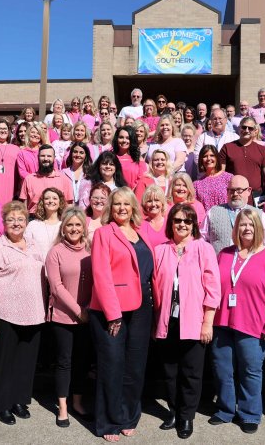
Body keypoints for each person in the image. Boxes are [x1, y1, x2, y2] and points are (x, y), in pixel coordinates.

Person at [88, 187, 156, 441]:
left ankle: (128, 416)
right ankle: (108, 422)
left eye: (126, 204)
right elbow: (101, 274)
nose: (122, 208)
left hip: (142, 309)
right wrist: (113, 313)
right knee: (112, 366)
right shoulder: (104, 234)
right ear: (110, 208)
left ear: (133, 207)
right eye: (116, 204)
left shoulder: (141, 233)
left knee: (135, 367)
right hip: (112, 310)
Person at [210, 208, 265, 433]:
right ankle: (225, 410)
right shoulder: (224, 253)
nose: (247, 228)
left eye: (251, 224)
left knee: (250, 371)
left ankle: (250, 413)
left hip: (253, 325)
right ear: (236, 228)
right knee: (223, 369)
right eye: (242, 224)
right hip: (222, 321)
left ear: (259, 228)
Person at [153, 204, 221, 439]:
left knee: (191, 373)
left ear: (194, 225)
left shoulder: (203, 249)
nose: (182, 224)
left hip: (194, 321)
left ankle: (187, 416)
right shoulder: (161, 250)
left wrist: (207, 322)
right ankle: (172, 411)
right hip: (167, 320)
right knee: (170, 371)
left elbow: (213, 287)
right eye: (178, 220)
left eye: (187, 221)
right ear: (170, 223)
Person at [0, 201, 46, 425]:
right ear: (4, 223)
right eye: (11, 220)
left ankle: (19, 400)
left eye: (20, 219)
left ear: (26, 223)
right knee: (6, 362)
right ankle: (3, 405)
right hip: (7, 314)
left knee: (26, 362)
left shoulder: (35, 246)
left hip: (35, 312)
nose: (16, 223)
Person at [46, 207, 94, 427]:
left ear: (83, 227)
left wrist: (88, 310)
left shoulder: (91, 249)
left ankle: (77, 402)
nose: (74, 229)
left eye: (77, 224)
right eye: (70, 225)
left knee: (82, 362)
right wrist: (78, 310)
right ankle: (63, 407)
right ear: (63, 228)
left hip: (87, 316)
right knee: (64, 362)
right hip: (64, 317)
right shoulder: (55, 252)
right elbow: (56, 286)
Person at [201, 175, 265, 253]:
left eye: (239, 190)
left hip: (250, 263)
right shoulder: (213, 212)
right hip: (220, 263)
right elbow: (201, 240)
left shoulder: (259, 215)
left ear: (249, 191)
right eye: (232, 190)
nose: (235, 194)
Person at [219, 116, 265, 205]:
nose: (246, 130)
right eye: (244, 127)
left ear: (255, 131)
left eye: (250, 128)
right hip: (234, 195)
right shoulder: (227, 147)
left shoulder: (262, 149)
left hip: (256, 197)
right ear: (239, 128)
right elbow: (221, 174)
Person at [19, 145, 73, 215]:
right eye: (43, 156)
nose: (46, 159)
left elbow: (69, 206)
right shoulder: (29, 179)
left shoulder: (64, 179)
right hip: (34, 219)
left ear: (54, 158)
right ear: (38, 158)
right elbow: (24, 207)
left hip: (58, 219)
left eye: (49, 156)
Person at [25, 187, 66, 261]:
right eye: (47, 198)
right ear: (42, 202)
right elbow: (26, 248)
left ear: (60, 202)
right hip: (38, 268)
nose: (51, 201)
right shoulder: (33, 225)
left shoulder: (65, 225)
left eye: (54, 198)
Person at [194, 145, 234, 211]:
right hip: (207, 220)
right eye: (205, 156)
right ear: (201, 160)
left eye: (212, 155)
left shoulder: (229, 178)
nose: (208, 158)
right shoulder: (196, 185)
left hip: (226, 218)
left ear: (217, 158)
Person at [62, 142, 92, 206]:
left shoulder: (90, 173)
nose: (78, 155)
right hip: (67, 209)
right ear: (71, 154)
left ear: (86, 155)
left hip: (85, 211)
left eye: (81, 152)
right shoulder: (63, 173)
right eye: (75, 152)